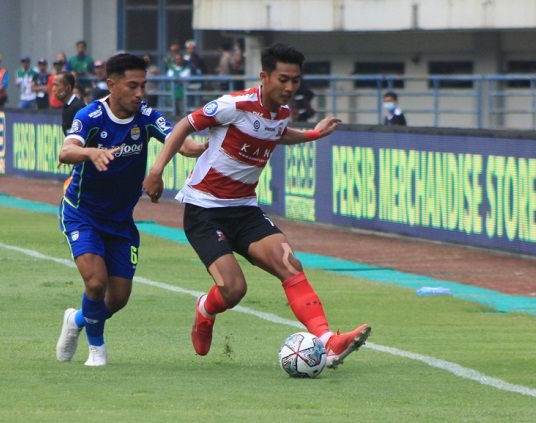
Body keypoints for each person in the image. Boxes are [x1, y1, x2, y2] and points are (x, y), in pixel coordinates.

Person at [143, 43, 371, 369]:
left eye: (295, 80)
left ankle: (327, 341)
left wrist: (313, 134)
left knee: (289, 263)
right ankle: (206, 309)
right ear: (264, 76)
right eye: (283, 79)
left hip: (245, 209)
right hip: (205, 210)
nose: (290, 87)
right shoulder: (234, 105)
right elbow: (183, 126)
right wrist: (156, 171)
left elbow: (278, 133)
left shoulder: (281, 112)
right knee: (234, 290)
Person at [54, 53, 206, 366]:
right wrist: (90, 152)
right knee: (96, 283)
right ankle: (97, 348)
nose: (140, 93)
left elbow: (185, 146)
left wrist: (208, 146)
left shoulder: (146, 116)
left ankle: (76, 321)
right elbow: (66, 151)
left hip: (121, 222)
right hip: (83, 213)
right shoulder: (91, 115)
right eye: (132, 86)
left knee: (118, 298)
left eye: (143, 86)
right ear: (112, 84)